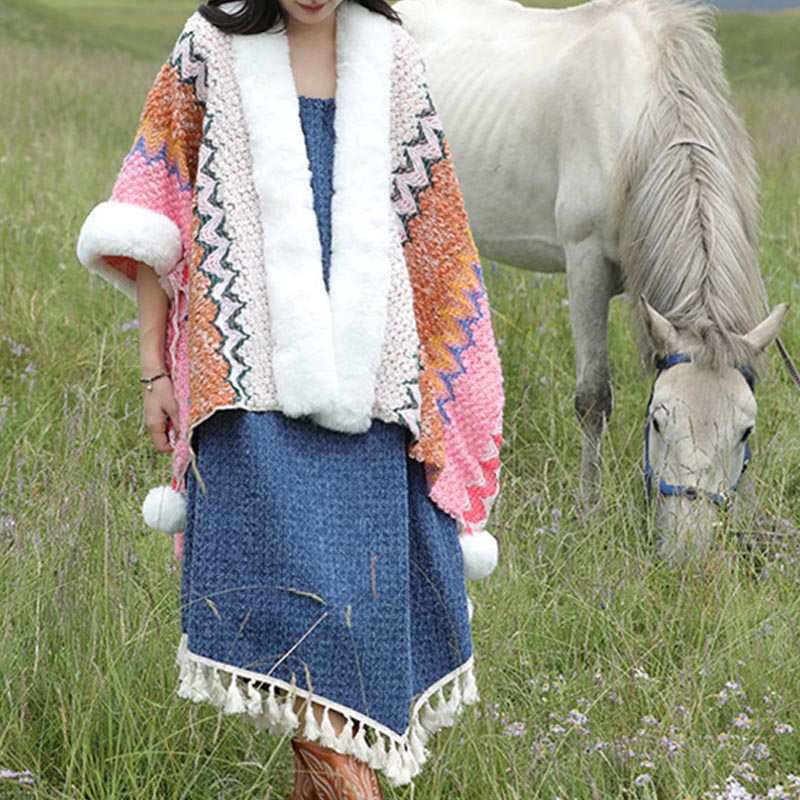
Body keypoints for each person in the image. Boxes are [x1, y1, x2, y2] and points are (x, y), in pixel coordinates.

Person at [77, 0, 503, 796]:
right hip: (245, 395)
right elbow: (152, 210)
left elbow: (437, 232)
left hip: (376, 397)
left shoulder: (395, 58)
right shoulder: (208, 48)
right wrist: (153, 370)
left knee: (353, 636)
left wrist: (453, 379)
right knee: (300, 636)